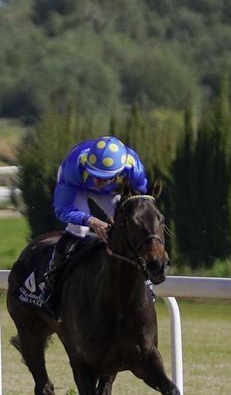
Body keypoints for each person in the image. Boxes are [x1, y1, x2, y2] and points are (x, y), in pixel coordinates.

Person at [38, 135, 149, 315]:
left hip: (110, 193)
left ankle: (145, 280)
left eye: (103, 177)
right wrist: (90, 220)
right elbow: (62, 210)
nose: (97, 181)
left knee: (130, 224)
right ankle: (50, 286)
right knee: (79, 229)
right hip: (77, 187)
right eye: (94, 174)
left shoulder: (134, 170)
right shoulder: (73, 167)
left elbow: (142, 202)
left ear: (119, 172)